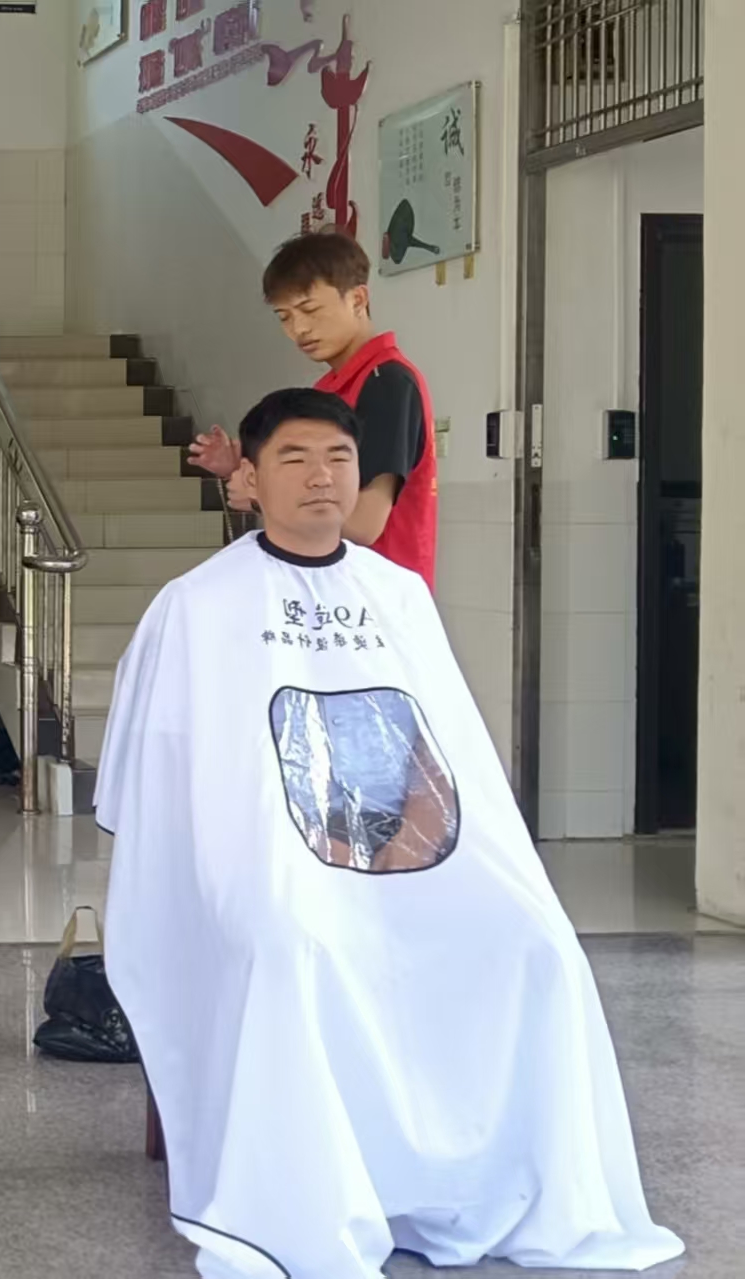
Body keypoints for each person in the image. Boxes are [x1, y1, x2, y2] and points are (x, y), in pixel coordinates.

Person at [98, 389, 681, 1279]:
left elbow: (449, 745)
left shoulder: (399, 595)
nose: (321, 476)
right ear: (249, 477)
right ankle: (309, 1190)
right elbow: (164, 769)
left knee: (537, 944)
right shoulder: (196, 606)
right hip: (268, 858)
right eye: (294, 458)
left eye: (338, 457)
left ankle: (490, 1179)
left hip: (414, 848)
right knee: (292, 945)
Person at [189, 232, 437, 590]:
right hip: (331, 591)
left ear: (358, 299)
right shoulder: (327, 390)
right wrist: (243, 469)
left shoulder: (387, 383)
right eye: (284, 317)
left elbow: (364, 524)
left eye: (310, 310)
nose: (299, 329)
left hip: (376, 599)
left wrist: (259, 496)